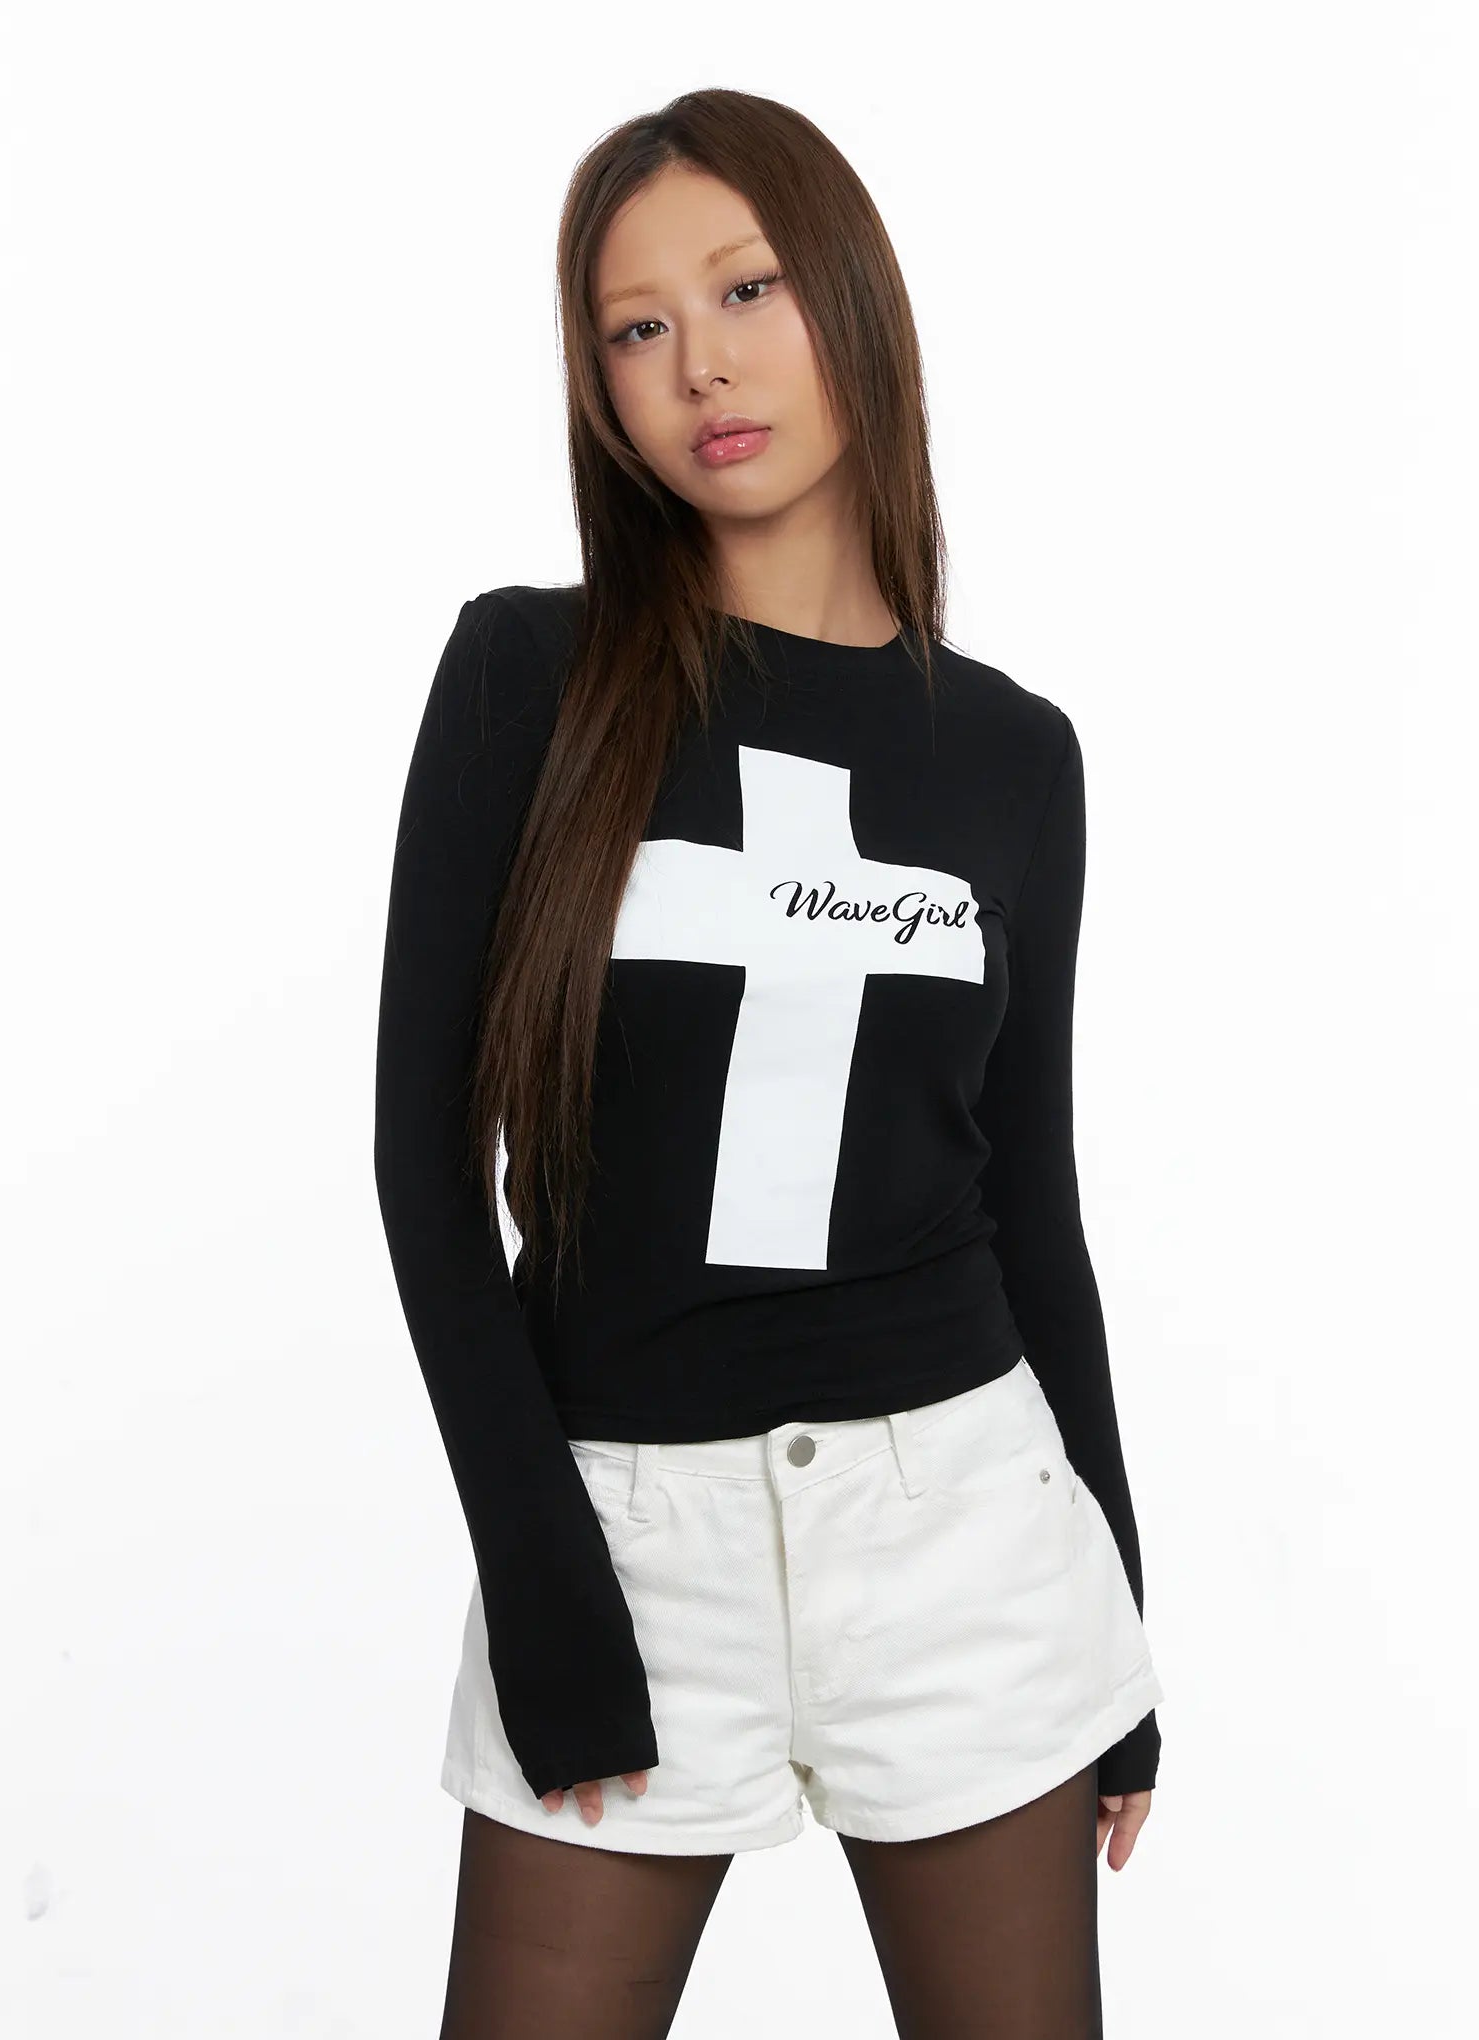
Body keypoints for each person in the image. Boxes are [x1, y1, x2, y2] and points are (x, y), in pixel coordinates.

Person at [374, 86, 1165, 2040]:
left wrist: (1119, 1617)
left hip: (966, 1536)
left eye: (744, 290)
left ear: (851, 302)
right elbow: (423, 1169)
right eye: (635, 327)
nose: (699, 365)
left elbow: (1031, 1203)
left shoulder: (1014, 756)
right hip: (630, 1540)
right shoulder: (528, 679)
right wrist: (541, 1581)